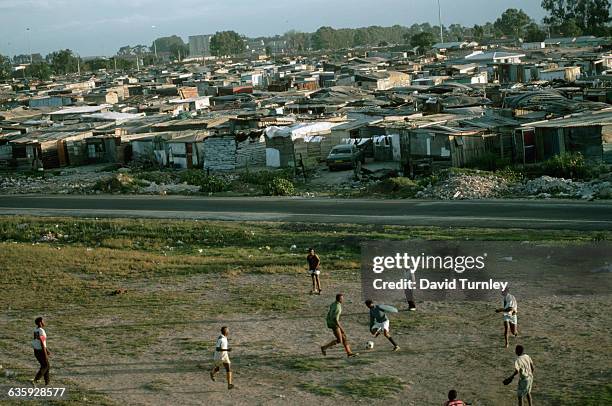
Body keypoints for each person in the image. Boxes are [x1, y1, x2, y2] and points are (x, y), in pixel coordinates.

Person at [31, 317, 50, 387]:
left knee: (46, 366)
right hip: (41, 351)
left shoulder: (35, 330)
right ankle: (35, 380)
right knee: (45, 366)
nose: (44, 322)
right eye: (43, 321)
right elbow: (42, 342)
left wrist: (47, 350)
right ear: (40, 322)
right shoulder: (41, 331)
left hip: (36, 350)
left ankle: (47, 383)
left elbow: (36, 341)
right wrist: (45, 353)